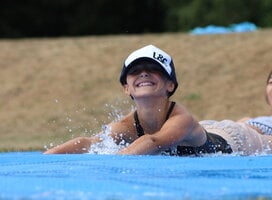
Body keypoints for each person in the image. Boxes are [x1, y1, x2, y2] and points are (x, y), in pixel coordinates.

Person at [44, 45, 272, 156]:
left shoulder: (181, 118)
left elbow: (152, 142)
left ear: (170, 85)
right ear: (126, 88)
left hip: (239, 140)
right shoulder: (125, 125)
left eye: (153, 70)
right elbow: (90, 143)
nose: (143, 73)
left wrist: (111, 163)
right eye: (135, 71)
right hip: (212, 127)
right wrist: (47, 158)